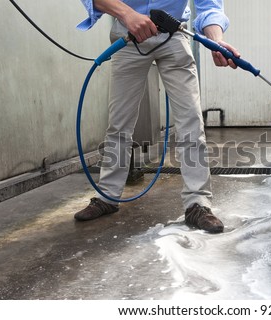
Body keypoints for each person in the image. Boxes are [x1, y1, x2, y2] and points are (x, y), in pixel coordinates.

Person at [74, 0, 239, 233]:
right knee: (119, 122)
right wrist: (127, 14)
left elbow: (209, 5)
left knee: (191, 121)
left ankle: (198, 203)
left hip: (174, 33)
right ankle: (108, 196)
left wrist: (215, 40)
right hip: (128, 33)